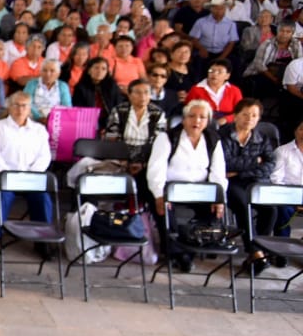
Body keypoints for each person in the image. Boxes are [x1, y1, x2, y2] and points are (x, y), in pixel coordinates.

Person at [147, 99, 228, 271]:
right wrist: (159, 195)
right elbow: (156, 169)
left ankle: (192, 250)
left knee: (213, 212)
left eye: (202, 117)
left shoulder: (213, 139)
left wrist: (219, 198)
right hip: (170, 189)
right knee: (165, 213)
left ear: (208, 121)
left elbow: (218, 172)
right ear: (184, 119)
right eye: (192, 116)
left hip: (200, 190)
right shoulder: (167, 137)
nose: (197, 121)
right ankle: (177, 254)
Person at [0, 92, 53, 252]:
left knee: (42, 198)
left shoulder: (39, 130)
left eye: (24, 106)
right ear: (9, 106)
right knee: (2, 197)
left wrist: (31, 174)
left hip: (31, 177)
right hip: (3, 176)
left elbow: (45, 156)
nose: (20, 109)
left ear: (30, 109)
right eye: (16, 105)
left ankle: (42, 240)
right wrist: (8, 175)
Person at [218, 99, 277, 274]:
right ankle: (255, 252)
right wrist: (254, 162)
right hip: (231, 183)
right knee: (243, 206)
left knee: (270, 210)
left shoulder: (262, 138)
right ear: (235, 116)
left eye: (254, 115)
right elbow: (225, 164)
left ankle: (258, 250)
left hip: (253, 182)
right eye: (245, 114)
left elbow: (269, 165)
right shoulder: (223, 135)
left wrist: (240, 171)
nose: (249, 119)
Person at [103, 79, 167, 174]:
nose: (143, 96)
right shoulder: (119, 110)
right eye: (138, 92)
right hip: (120, 157)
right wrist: (124, 160)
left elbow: (158, 140)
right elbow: (112, 137)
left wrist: (142, 162)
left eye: (146, 92)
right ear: (129, 95)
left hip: (147, 158)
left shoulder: (157, 113)